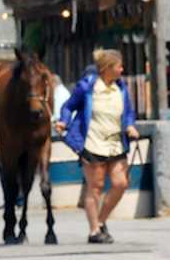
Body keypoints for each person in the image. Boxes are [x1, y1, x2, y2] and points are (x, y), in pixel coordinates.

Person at [56, 49, 139, 244]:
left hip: (116, 143)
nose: (122, 69)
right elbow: (69, 106)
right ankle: (94, 230)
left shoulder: (122, 88)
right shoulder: (87, 87)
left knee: (121, 183)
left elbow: (127, 111)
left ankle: (101, 221)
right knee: (95, 186)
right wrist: (63, 121)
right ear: (106, 69)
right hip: (93, 142)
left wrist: (130, 125)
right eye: (118, 66)